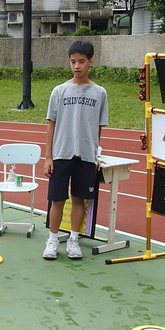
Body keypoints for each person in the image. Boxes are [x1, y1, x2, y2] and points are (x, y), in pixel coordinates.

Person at [43, 40, 108, 261]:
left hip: (86, 156)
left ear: (90, 61)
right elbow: (51, 125)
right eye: (73, 62)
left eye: (81, 61)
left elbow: (98, 128)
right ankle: (52, 240)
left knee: (79, 199)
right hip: (61, 154)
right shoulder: (59, 91)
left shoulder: (100, 93)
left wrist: (95, 154)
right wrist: (48, 157)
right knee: (57, 200)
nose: (77, 66)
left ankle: (73, 240)